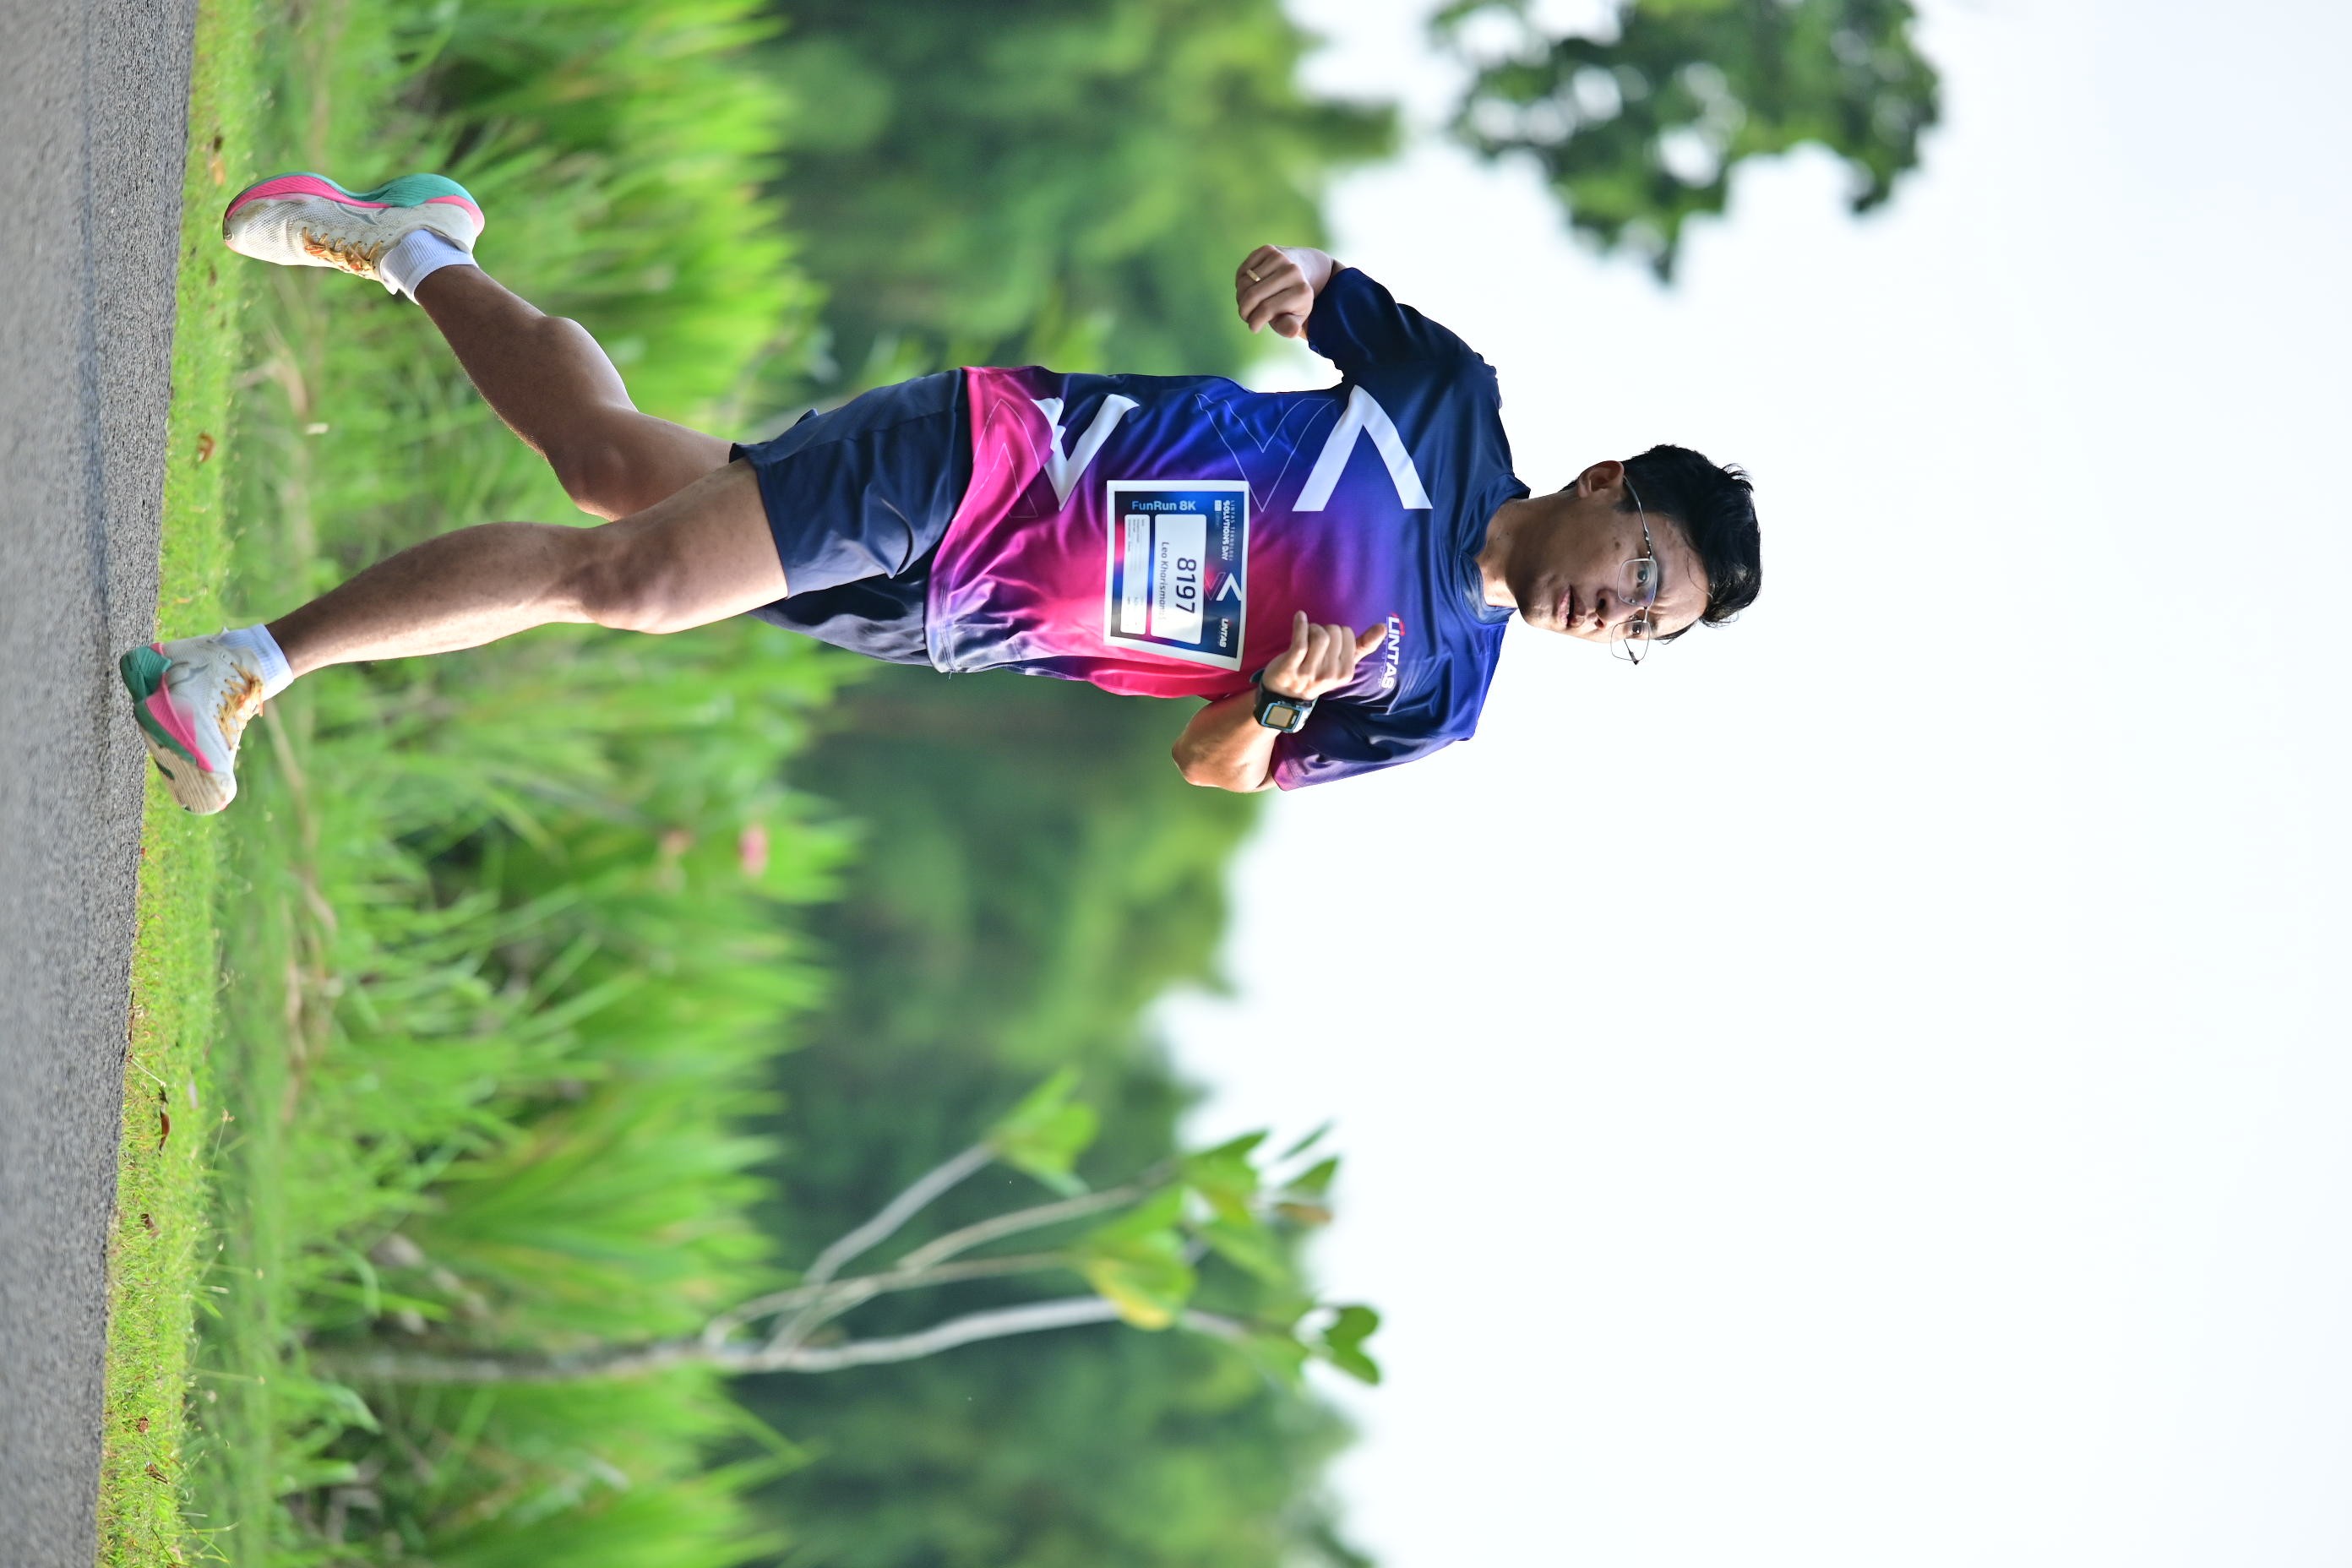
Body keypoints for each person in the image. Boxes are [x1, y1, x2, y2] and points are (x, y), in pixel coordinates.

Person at [121, 172, 1761, 814]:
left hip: (963, 617)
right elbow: (1323, 285)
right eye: (1639, 573)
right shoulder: (1451, 407)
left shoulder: (1440, 699)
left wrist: (1272, 697)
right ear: (1610, 485)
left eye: (1641, 630)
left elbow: (1216, 765)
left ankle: (414, 244)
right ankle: (240, 670)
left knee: (612, 467)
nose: (1606, 614)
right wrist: (1299, 275)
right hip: (994, 462)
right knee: (636, 581)